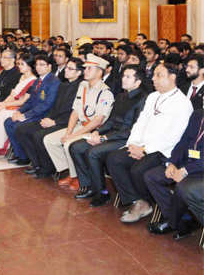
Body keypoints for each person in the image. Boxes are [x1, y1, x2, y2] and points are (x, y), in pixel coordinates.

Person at [106, 62, 193, 223]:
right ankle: (138, 201)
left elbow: (174, 136)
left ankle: (144, 202)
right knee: (114, 159)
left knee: (138, 170)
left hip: (163, 151)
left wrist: (145, 150)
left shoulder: (182, 103)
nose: (153, 79)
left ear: (172, 77)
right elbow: (140, 123)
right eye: (153, 75)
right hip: (140, 145)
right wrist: (132, 144)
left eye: (159, 75)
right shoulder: (153, 97)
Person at [69, 65, 147, 205]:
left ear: (138, 82)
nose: (123, 79)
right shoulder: (121, 96)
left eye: (128, 77)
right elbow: (111, 121)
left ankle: (102, 192)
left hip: (126, 139)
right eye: (123, 76)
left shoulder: (143, 99)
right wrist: (97, 132)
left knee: (93, 152)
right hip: (112, 135)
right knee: (76, 147)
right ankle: (88, 186)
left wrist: (105, 138)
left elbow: (133, 129)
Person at [43, 54, 115, 190]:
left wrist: (73, 136)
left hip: (93, 130)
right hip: (79, 126)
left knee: (69, 144)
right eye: (85, 68)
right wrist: (69, 131)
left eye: (89, 68)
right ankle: (70, 171)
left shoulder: (106, 93)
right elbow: (75, 111)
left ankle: (76, 176)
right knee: (49, 140)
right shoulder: (83, 85)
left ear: (99, 72)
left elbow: (97, 120)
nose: (85, 71)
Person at [17, 57, 84, 178]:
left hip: (66, 122)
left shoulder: (80, 87)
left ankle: (48, 167)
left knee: (38, 135)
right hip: (53, 119)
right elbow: (54, 106)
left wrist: (54, 122)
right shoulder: (64, 85)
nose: (66, 70)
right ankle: (37, 163)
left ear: (79, 72)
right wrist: (47, 118)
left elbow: (74, 112)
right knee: (22, 129)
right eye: (66, 67)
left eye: (70, 68)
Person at [145, 109, 203, 238]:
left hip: (200, 170)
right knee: (152, 177)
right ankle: (182, 221)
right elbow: (184, 141)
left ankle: (173, 222)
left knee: (182, 187)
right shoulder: (198, 114)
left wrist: (185, 171)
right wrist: (172, 163)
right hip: (186, 162)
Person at [4, 54, 62, 164]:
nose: (38, 67)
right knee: (8, 122)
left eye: (42, 65)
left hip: (43, 115)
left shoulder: (53, 81)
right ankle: (21, 155)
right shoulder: (38, 81)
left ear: (49, 66)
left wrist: (25, 116)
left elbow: (46, 105)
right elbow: (30, 101)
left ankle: (31, 159)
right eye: (37, 65)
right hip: (33, 113)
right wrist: (19, 111)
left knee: (18, 126)